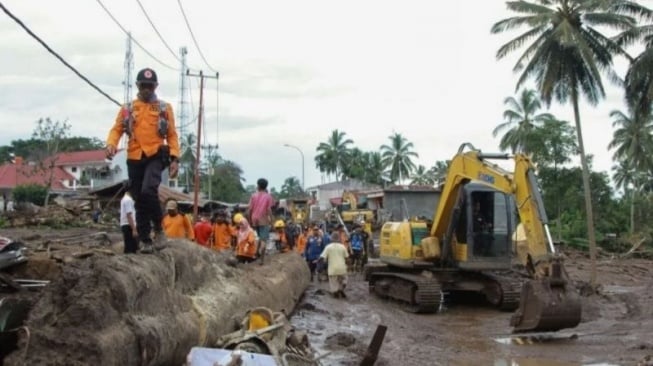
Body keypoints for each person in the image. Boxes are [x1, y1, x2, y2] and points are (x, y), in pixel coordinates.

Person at [105, 67, 180, 254]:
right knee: (139, 198)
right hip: (135, 157)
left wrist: (175, 159)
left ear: (156, 86)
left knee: (149, 190)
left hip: (156, 154)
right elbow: (117, 129)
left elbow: (172, 135)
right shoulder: (128, 109)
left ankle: (159, 228)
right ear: (138, 86)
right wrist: (111, 144)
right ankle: (146, 240)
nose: (147, 89)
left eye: (150, 86)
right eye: (143, 86)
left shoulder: (164, 108)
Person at [247, 178, 275, 258]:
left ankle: (256, 252)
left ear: (258, 186)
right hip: (263, 220)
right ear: (266, 187)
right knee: (264, 240)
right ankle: (262, 258)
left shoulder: (253, 196)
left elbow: (250, 209)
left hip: (254, 219)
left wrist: (250, 221)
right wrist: (272, 222)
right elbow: (269, 209)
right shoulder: (268, 197)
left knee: (261, 237)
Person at [319, 232, 350, 298]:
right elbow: (347, 258)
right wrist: (348, 265)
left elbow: (322, 257)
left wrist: (319, 265)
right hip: (342, 268)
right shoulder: (342, 246)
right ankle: (341, 288)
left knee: (333, 283)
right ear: (339, 239)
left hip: (332, 269)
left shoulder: (328, 247)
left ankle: (336, 292)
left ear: (331, 238)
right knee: (344, 279)